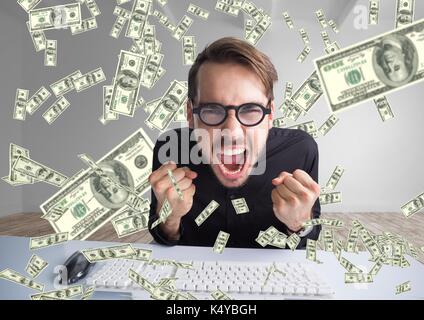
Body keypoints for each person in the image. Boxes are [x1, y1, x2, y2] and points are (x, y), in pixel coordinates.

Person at [148, 37, 321, 249]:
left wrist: (299, 223)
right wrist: (170, 217)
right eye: (212, 110)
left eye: (250, 110)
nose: (231, 133)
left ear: (270, 114)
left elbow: (309, 239)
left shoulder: (300, 149)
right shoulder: (170, 148)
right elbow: (161, 235)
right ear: (190, 114)